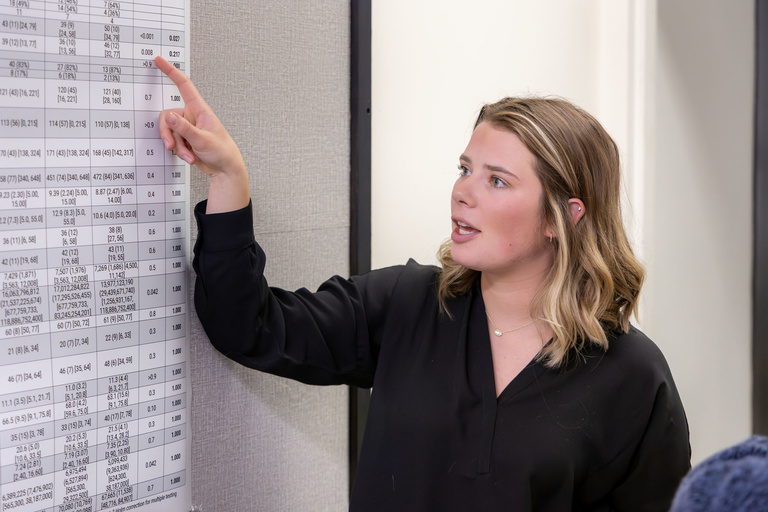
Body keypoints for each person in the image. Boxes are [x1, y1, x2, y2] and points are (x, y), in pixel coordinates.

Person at [154, 56, 691, 511]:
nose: (463, 193)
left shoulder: (633, 377)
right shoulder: (407, 305)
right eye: (465, 169)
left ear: (562, 218)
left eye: (497, 180)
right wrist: (228, 178)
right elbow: (248, 327)